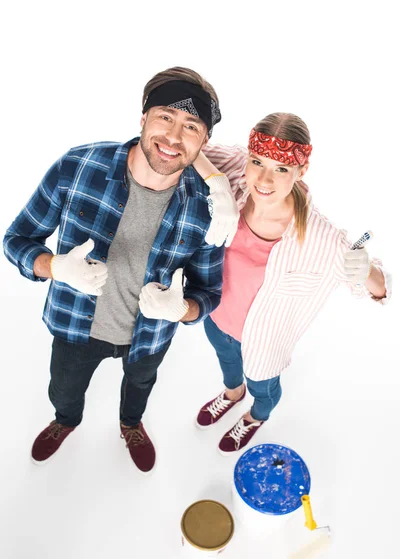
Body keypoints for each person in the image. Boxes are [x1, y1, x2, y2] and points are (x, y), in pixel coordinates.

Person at [3, 66, 239, 473]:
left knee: (140, 387)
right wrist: (55, 267)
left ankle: (130, 424)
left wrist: (179, 310)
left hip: (148, 337)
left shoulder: (209, 210)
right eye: (165, 117)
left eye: (191, 127)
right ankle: (66, 420)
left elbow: (208, 293)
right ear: (143, 117)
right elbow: (16, 240)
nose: (173, 137)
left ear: (202, 143)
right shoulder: (78, 167)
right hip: (75, 327)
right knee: (64, 388)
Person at [193, 112, 392, 454]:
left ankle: (256, 416)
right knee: (227, 363)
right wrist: (217, 183)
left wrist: (366, 271)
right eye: (258, 162)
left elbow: (377, 290)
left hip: (264, 347)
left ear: (301, 171)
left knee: (264, 387)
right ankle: (231, 393)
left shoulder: (320, 237)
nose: (263, 178)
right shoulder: (237, 171)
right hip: (215, 317)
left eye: (281, 169)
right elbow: (187, 148)